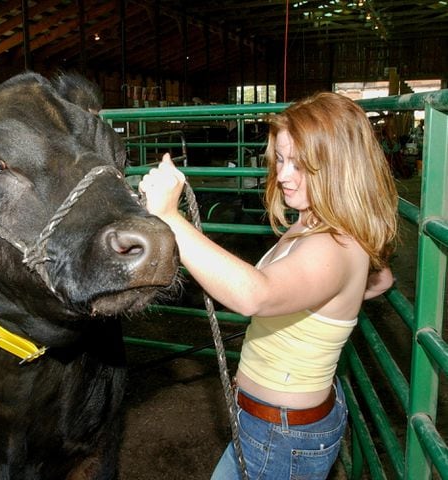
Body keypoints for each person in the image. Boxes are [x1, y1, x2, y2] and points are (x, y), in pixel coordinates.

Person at [138, 92, 398, 479]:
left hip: (283, 436)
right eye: (280, 158)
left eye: (301, 164)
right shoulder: (316, 218)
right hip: (277, 425)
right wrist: (326, 304)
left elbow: (254, 295)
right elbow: (382, 278)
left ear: (340, 167)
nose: (284, 175)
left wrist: (171, 218)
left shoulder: (332, 244)